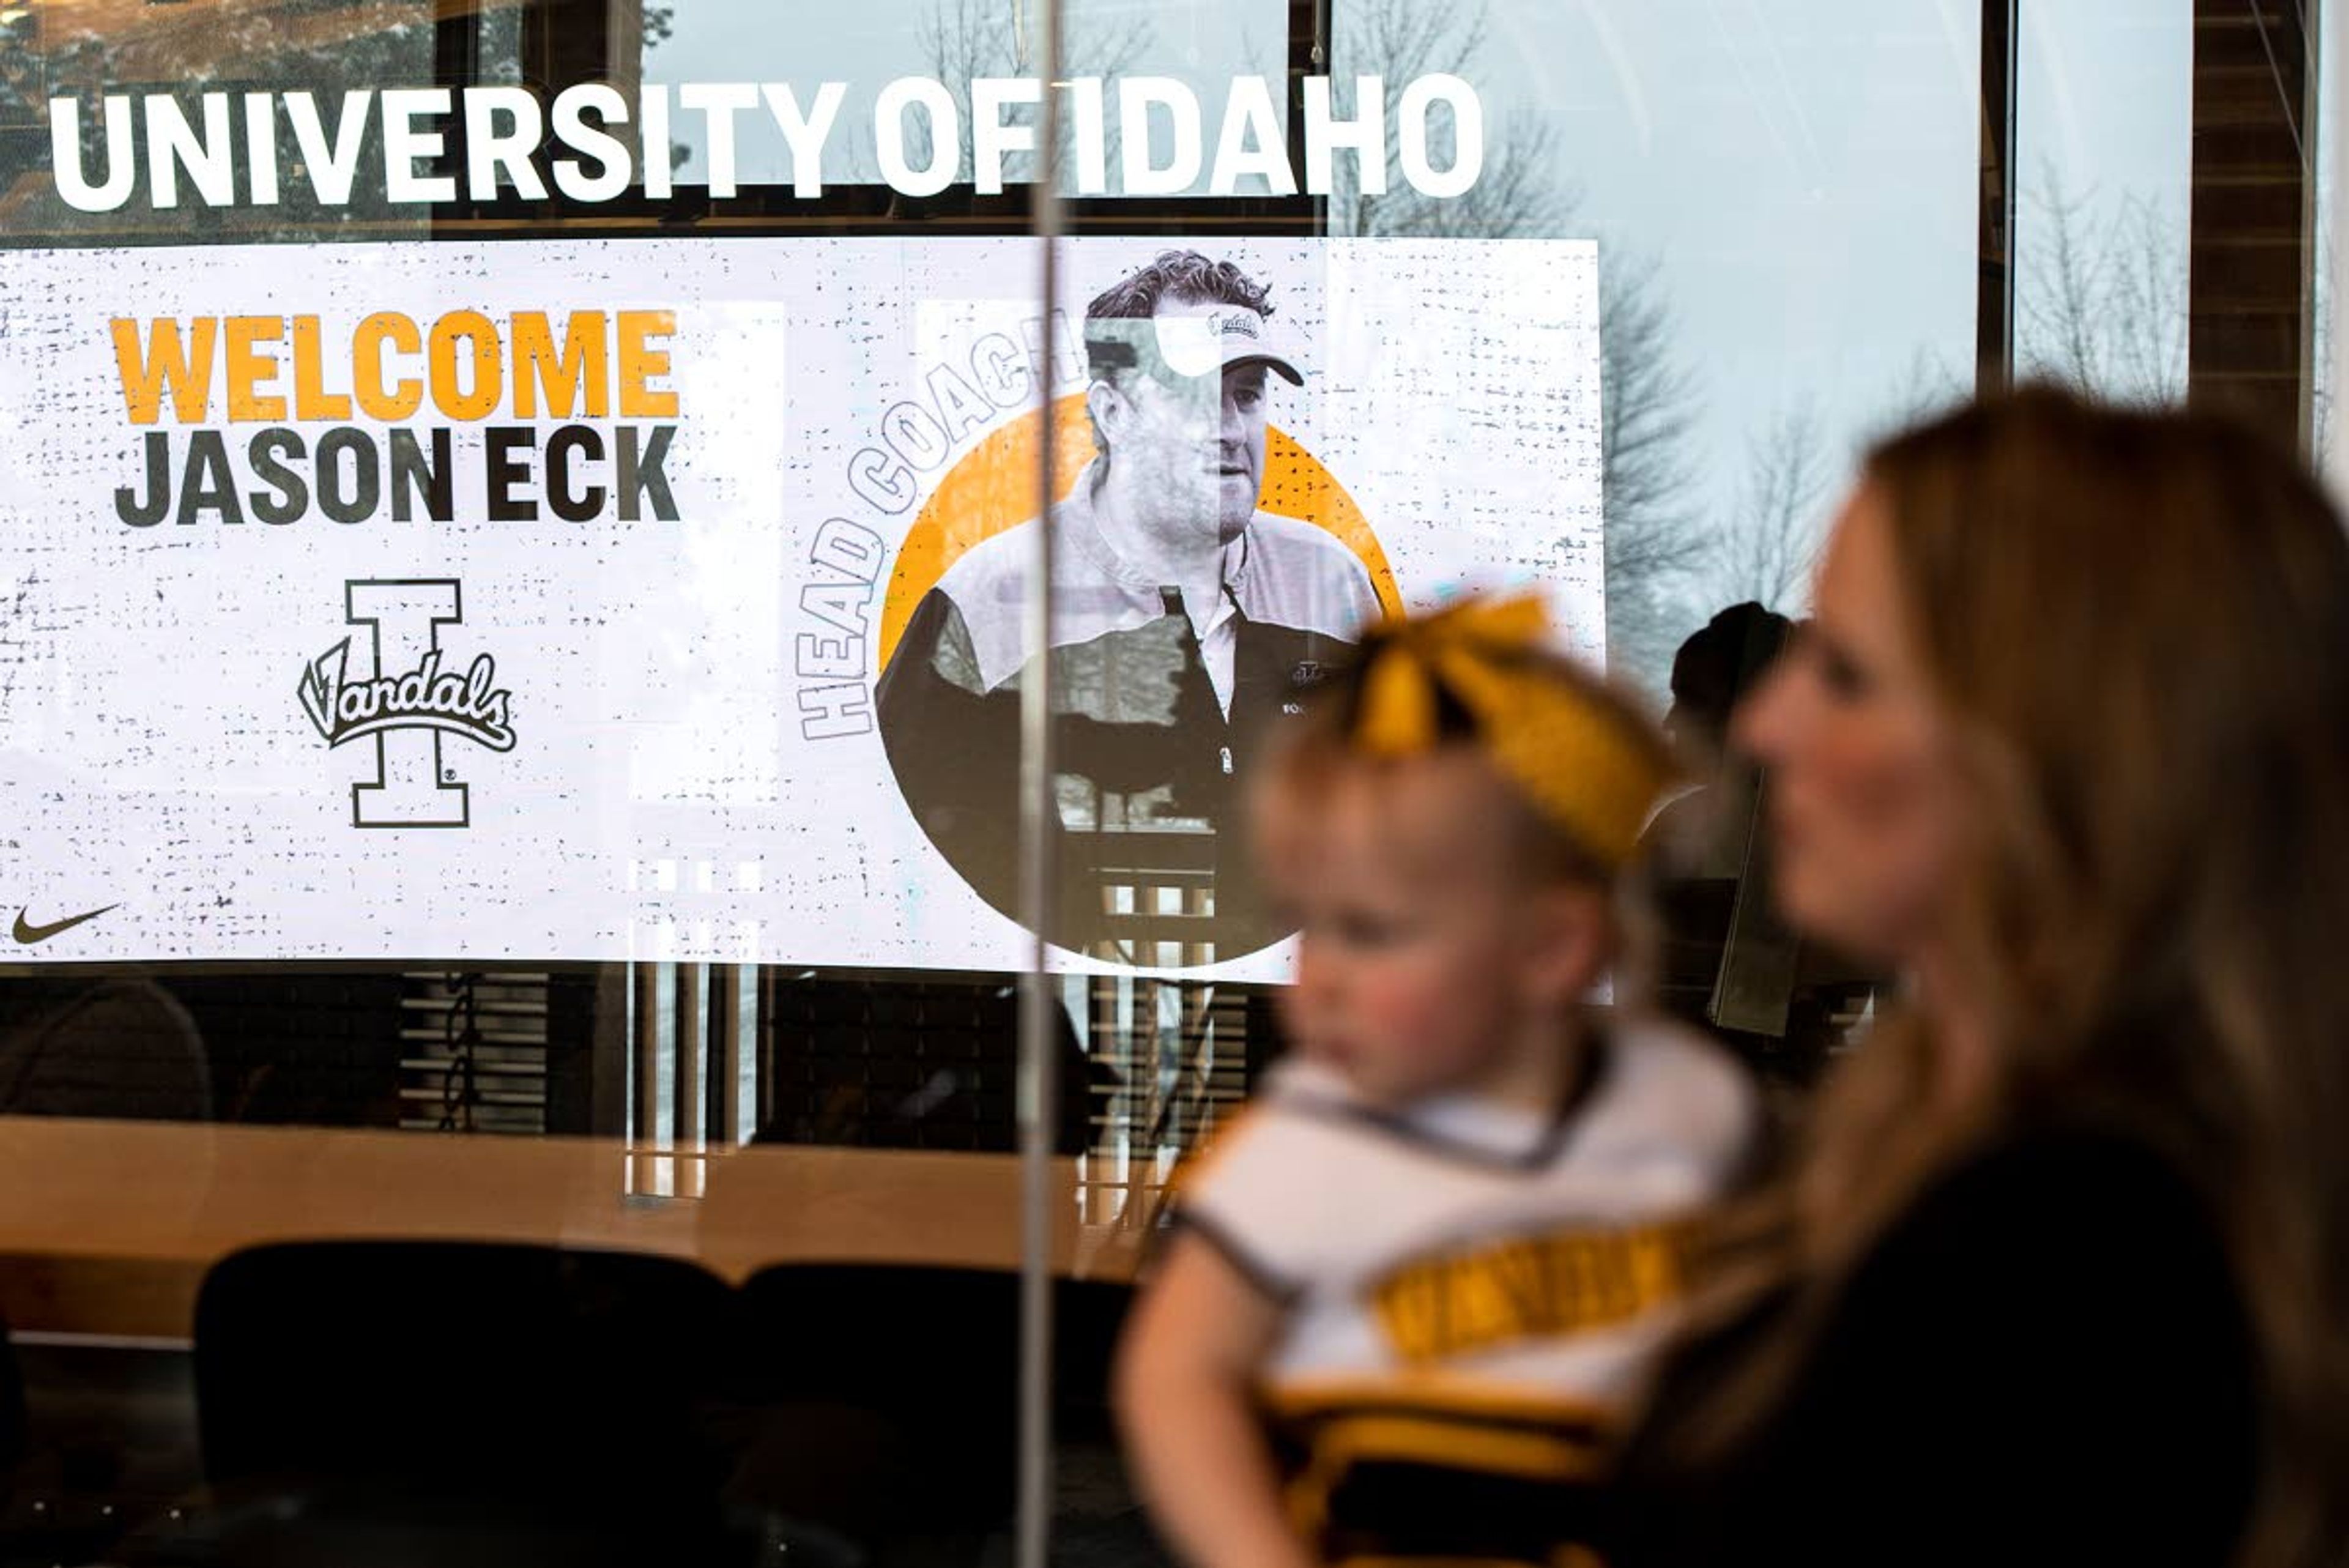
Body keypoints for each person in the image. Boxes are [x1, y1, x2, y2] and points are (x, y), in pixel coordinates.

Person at [1604, 388, 2349, 1568]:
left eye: (1844, 673)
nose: (1766, 728)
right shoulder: (1937, 1145)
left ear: (2052, 746)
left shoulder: (2067, 1275)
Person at [1113, 595, 1761, 1568]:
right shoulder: (1304, 1147)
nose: (1314, 974)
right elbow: (1175, 1375)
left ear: (1549, 947)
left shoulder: (1691, 1109)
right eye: (1309, 922)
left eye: (1367, 931)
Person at [877, 248, 1381, 964]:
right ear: (1113, 411)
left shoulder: (1330, 584)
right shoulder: (988, 602)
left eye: (1247, 393)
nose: (1231, 428)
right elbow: (908, 882)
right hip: (1055, 1027)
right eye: (1192, 395)